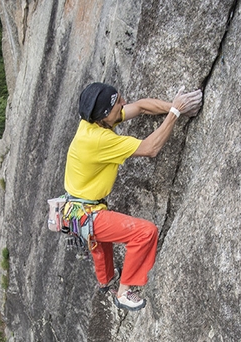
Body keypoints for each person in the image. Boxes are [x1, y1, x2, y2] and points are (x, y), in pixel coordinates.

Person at [64, 82, 202, 311]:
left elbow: (140, 107)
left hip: (76, 212)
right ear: (106, 114)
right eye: (118, 102)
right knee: (145, 233)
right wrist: (175, 113)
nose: (124, 102)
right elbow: (150, 148)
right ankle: (124, 292)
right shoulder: (98, 140)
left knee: (100, 243)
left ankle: (107, 283)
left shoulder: (95, 120)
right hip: (88, 213)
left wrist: (175, 106)